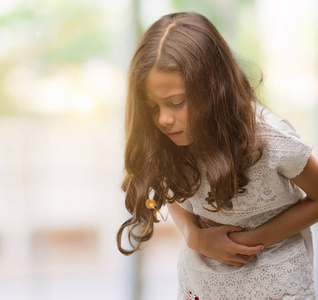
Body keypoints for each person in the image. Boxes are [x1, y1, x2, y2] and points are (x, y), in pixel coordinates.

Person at [116, 12, 318, 299]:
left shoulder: (269, 140)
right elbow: (169, 190)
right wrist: (193, 236)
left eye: (176, 103)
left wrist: (246, 241)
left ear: (213, 89)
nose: (163, 119)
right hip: (200, 284)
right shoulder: (167, 140)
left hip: (275, 285)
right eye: (152, 107)